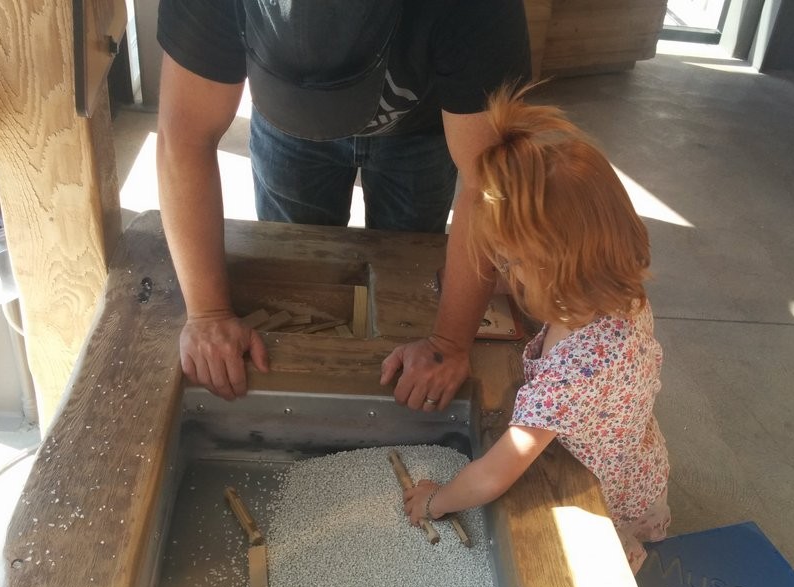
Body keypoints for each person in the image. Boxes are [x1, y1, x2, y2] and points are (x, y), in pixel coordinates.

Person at [155, 0, 531, 410]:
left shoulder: (476, 10)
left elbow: (486, 185)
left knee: (409, 282)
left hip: (421, 129)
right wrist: (207, 314)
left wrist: (448, 344)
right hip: (284, 128)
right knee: (293, 278)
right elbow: (184, 138)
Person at [403, 85, 671, 573]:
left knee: (588, 579)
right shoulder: (616, 291)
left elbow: (493, 476)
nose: (503, 274)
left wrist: (435, 501)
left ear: (555, 272)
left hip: (596, 491)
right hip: (637, 458)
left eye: (509, 263)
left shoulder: (572, 375)